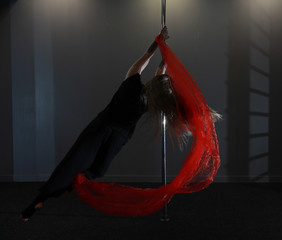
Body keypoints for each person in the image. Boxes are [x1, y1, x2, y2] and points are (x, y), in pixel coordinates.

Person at [20, 27, 171, 222]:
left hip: (117, 134)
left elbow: (149, 60)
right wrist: (163, 48)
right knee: (76, 160)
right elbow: (152, 62)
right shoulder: (134, 84)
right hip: (104, 127)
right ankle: (40, 199)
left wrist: (161, 46)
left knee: (98, 169)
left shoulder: (141, 89)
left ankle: (66, 186)